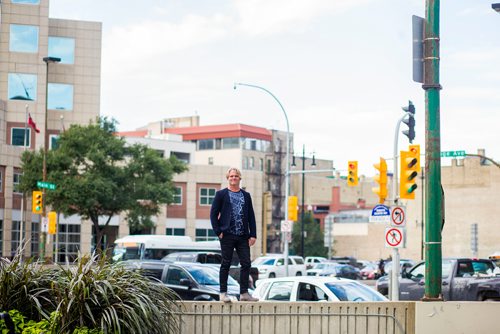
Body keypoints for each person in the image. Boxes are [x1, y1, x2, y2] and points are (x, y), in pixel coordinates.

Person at [210, 167, 258, 302]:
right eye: (231, 176)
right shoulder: (221, 194)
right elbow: (213, 214)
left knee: (246, 263)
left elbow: (251, 216)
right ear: (228, 178)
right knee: (226, 263)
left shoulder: (246, 195)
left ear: (239, 178)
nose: (233, 178)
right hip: (227, 235)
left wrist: (253, 234)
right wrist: (218, 231)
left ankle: (244, 293)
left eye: (236, 176)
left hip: (243, 236)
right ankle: (223, 293)